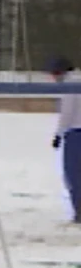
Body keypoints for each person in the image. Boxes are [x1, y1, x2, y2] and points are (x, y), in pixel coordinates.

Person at [52, 56, 81, 223]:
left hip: (75, 133)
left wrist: (58, 134)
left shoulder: (70, 86)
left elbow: (67, 113)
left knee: (74, 174)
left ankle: (79, 212)